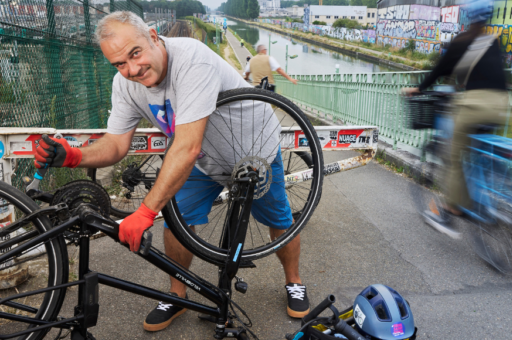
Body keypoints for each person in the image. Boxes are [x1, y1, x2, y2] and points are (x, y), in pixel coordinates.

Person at [33, 11, 311, 332]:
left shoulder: (192, 60)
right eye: (119, 64)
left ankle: (294, 281)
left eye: (135, 53)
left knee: (278, 221)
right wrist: (73, 155)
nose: (132, 69)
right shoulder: (126, 84)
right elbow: (116, 145)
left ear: (152, 36)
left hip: (252, 150)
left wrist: (144, 211)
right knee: (177, 224)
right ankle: (177, 295)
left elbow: (186, 146)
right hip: (204, 158)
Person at [402, 0, 507, 237]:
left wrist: (418, 89)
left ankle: (449, 212)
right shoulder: (493, 42)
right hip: (502, 106)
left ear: (468, 18)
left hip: (475, 106)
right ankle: (491, 200)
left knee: (453, 156)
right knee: (479, 149)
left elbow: (439, 71)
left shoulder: (461, 42)